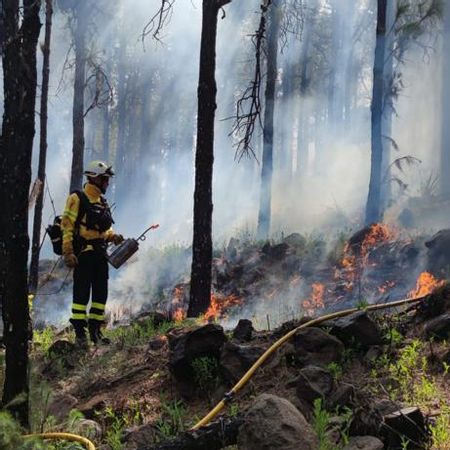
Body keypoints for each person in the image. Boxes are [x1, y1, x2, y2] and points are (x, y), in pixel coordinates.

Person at [61, 160, 124, 347]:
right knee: (81, 296)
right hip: (83, 255)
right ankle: (80, 333)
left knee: (100, 294)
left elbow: (105, 229)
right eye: (105, 179)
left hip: (100, 255)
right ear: (95, 178)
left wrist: (113, 237)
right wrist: (68, 252)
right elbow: (67, 226)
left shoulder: (101, 201)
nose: (107, 183)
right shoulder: (77, 198)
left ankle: (96, 332)